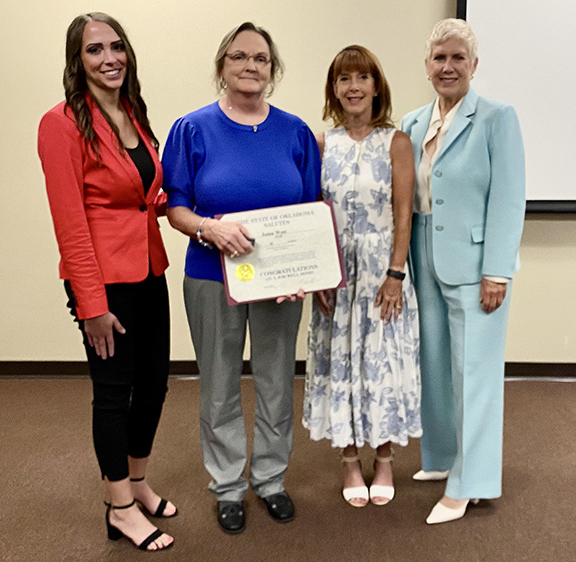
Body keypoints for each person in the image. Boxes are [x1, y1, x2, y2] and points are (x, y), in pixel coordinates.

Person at [162, 22, 321, 534]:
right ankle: (228, 486)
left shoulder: (295, 132)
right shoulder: (192, 128)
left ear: (272, 70)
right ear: (222, 66)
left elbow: (312, 209)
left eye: (261, 59)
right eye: (239, 57)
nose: (250, 66)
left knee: (277, 381)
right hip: (211, 274)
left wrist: (307, 270)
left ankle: (270, 479)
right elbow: (175, 207)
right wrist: (211, 228)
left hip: (279, 281)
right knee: (219, 384)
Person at [37, 13, 175, 551]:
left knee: (157, 383)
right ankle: (118, 507)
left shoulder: (131, 111)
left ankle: (136, 482)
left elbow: (144, 194)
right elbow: (71, 223)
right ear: (78, 60)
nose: (109, 58)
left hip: (148, 268)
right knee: (114, 392)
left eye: (117, 46)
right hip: (101, 282)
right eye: (95, 50)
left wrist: (198, 209)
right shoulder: (61, 123)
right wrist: (91, 305)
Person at [401, 18, 525, 524]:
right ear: (427, 66)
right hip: (422, 251)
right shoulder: (412, 122)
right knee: (435, 363)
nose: (447, 66)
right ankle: (443, 458)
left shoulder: (498, 117)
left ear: (474, 66)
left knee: (473, 372)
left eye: (457, 58)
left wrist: (497, 269)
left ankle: (469, 482)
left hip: (477, 264)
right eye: (439, 58)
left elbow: (509, 197)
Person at [303, 45, 422, 508]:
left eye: (362, 78)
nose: (353, 87)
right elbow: (311, 213)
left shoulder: (397, 142)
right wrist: (319, 276)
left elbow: (404, 213)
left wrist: (395, 272)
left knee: (383, 363)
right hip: (336, 274)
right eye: (343, 79)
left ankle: (385, 457)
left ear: (376, 86)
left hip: (382, 273)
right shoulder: (320, 143)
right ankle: (350, 459)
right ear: (334, 89)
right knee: (342, 362)